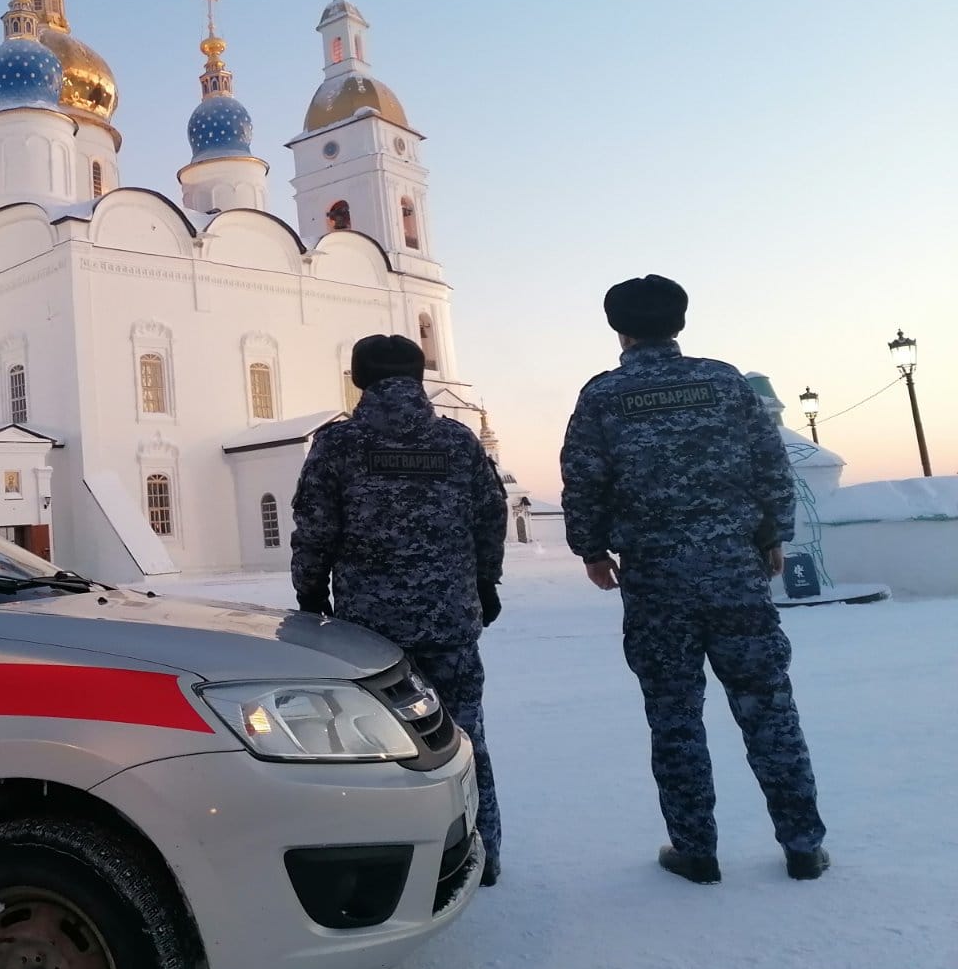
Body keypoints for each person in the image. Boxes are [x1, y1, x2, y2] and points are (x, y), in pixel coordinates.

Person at [560, 275, 828, 884]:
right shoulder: (725, 381)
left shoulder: (603, 395)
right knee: (769, 708)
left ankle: (696, 851)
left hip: (656, 581)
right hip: (735, 570)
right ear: (679, 323)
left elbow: (584, 480)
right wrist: (772, 535)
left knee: (674, 715)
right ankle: (804, 845)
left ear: (618, 329)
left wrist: (592, 551)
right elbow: (770, 463)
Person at [291, 334, 508, 885]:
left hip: (368, 634)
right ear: (418, 379)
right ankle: (484, 853)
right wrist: (485, 585)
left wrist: (311, 597)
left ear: (359, 379)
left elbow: (315, 529)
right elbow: (491, 516)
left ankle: (387, 869)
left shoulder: (338, 444)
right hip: (451, 622)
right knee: (464, 737)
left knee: (375, 750)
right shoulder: (457, 443)